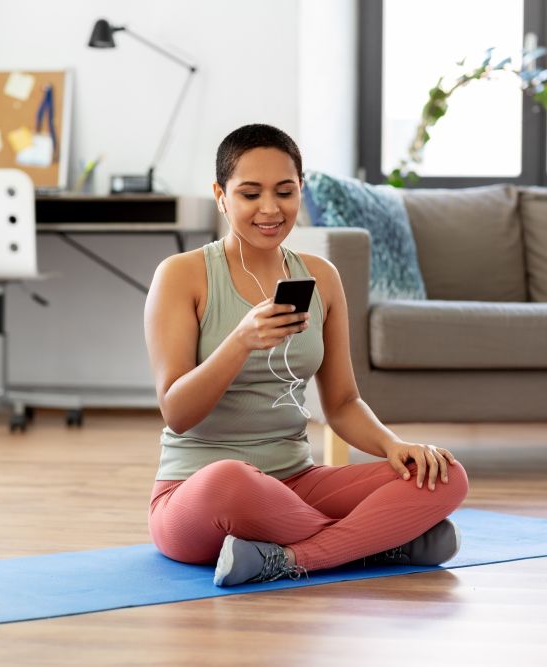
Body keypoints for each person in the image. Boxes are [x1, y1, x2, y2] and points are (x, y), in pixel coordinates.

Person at [144, 123, 469, 587]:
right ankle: (378, 545)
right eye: (250, 194)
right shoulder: (182, 275)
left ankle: (291, 558)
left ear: (301, 190)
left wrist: (395, 447)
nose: (270, 209)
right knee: (230, 479)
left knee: (444, 474)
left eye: (285, 191)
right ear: (221, 195)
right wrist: (239, 342)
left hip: (297, 484)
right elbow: (177, 412)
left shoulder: (321, 276)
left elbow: (341, 403)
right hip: (200, 494)